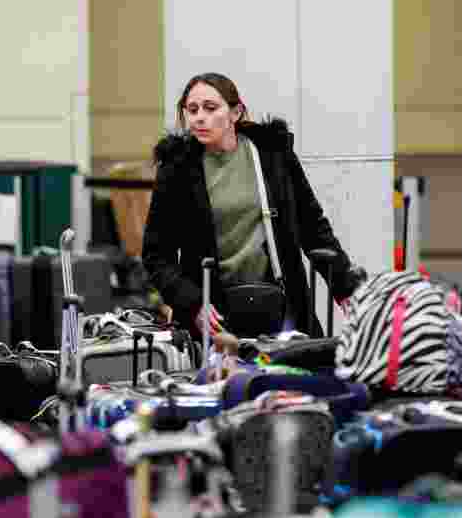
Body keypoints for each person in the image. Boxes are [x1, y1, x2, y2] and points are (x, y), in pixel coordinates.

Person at [143, 72, 366, 339]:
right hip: (214, 321)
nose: (199, 117)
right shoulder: (176, 169)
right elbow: (156, 255)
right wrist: (191, 304)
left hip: (282, 310)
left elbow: (313, 227)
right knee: (229, 382)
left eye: (210, 108)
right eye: (192, 110)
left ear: (235, 113)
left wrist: (346, 291)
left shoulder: (273, 154)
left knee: (295, 380)